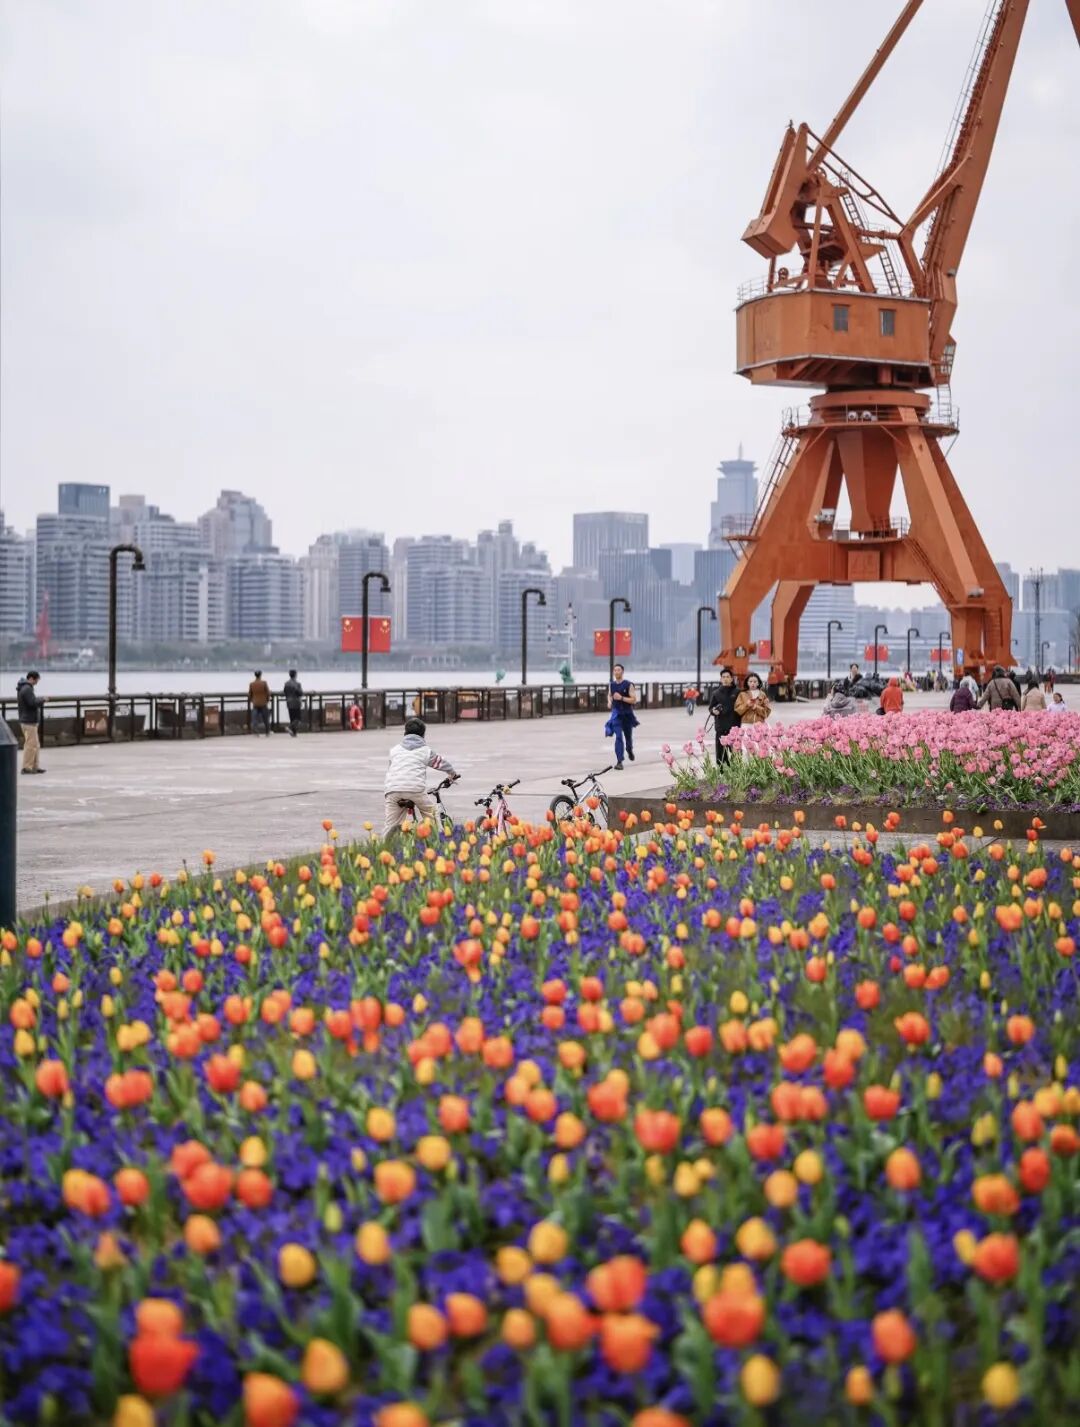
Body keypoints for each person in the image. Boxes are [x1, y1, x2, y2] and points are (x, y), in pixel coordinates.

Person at [382, 717, 458, 837]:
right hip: (415, 789)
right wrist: (452, 774)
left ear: (405, 733)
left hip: (392, 790)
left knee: (390, 825)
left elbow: (391, 769)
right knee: (432, 815)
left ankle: (385, 844)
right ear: (423, 734)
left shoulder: (394, 750)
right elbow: (441, 763)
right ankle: (439, 840)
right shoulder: (425, 751)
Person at [605, 663, 639, 770]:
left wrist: (622, 698)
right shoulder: (612, 685)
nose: (616, 672)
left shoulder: (629, 684)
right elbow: (610, 695)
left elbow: (634, 700)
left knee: (628, 737)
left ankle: (629, 750)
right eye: (615, 670)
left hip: (627, 714)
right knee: (618, 737)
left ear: (622, 671)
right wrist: (609, 701)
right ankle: (619, 761)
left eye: (618, 670)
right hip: (616, 714)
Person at [708, 667, 741, 762]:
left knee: (736, 757)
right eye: (723, 677)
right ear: (721, 679)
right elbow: (711, 708)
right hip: (721, 728)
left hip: (734, 728)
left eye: (728, 677)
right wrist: (713, 711)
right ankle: (722, 771)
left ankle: (736, 771)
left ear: (732, 679)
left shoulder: (738, 692)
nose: (725, 679)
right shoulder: (716, 693)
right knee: (721, 756)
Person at [16, 670, 45, 774]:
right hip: (28, 721)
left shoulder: (24, 688)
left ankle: (34, 766)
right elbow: (32, 703)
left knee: (35, 745)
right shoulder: (27, 689)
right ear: (31, 678)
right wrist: (42, 700)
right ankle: (27, 767)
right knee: (31, 745)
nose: (37, 682)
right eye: (36, 680)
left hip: (28, 721)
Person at [249, 670, 271, 735]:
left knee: (255, 718)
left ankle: (256, 731)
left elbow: (250, 694)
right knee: (265, 718)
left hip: (255, 703)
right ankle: (267, 731)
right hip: (263, 703)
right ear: (260, 675)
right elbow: (268, 693)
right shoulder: (264, 683)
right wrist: (267, 700)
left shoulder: (252, 684)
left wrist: (252, 700)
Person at [283, 669, 303, 737]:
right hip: (296, 702)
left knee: (292, 718)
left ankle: (294, 733)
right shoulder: (297, 684)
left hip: (289, 702)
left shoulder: (286, 683)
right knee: (298, 718)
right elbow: (300, 693)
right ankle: (289, 727)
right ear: (295, 675)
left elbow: (285, 692)